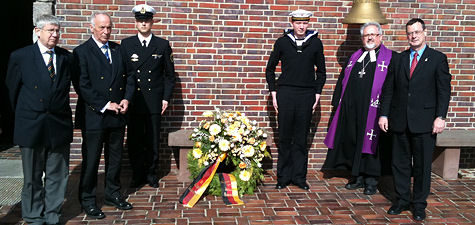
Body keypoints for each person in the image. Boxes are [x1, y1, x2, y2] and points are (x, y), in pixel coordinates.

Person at [378, 18, 451, 221]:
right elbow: (388, 89)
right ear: (407, 35)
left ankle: (419, 204)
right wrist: (384, 114)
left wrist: (440, 117)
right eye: (410, 32)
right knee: (399, 164)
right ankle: (401, 200)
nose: (414, 36)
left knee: (421, 165)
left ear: (425, 32)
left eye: (417, 32)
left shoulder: (437, 58)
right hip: (400, 120)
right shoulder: (399, 59)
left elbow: (444, 91)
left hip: (425, 122)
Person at [6, 15, 74, 225]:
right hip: (31, 125)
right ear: (38, 31)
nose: (55, 35)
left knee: (57, 174)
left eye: (57, 31)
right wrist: (23, 118)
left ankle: (52, 213)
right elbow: (12, 91)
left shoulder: (65, 57)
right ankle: (34, 215)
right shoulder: (21, 56)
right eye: (50, 30)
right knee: (33, 176)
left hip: (58, 126)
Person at [322, 22, 396, 195]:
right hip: (353, 109)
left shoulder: (391, 58)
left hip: (374, 109)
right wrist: (337, 103)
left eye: (373, 34)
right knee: (355, 141)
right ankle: (358, 177)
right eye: (366, 35)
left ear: (380, 36)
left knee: (372, 145)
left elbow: (392, 87)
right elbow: (342, 81)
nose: (369, 38)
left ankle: (371, 180)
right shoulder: (355, 56)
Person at [73, 12, 134, 219]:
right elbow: (82, 85)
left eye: (109, 27)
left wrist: (126, 98)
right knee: (91, 160)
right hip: (94, 116)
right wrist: (105, 104)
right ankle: (88, 200)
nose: (106, 32)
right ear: (92, 28)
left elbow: (131, 77)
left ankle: (112, 194)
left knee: (114, 159)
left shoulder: (119, 49)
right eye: (102, 28)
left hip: (117, 114)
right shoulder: (81, 52)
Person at [265, 9, 326, 190]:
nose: (301, 26)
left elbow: (321, 71)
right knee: (284, 137)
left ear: (308, 23)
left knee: (300, 138)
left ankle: (299, 178)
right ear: (292, 23)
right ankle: (283, 178)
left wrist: (317, 94)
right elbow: (270, 69)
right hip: (286, 94)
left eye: (305, 23)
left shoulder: (315, 43)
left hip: (306, 95)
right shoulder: (282, 42)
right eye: (298, 23)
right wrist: (274, 93)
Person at [121, 4, 176, 188]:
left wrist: (166, 98)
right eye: (140, 20)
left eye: (146, 20)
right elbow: (123, 74)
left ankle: (151, 173)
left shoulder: (162, 45)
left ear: (152, 21)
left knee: (152, 139)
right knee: (135, 139)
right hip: (134, 100)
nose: (143, 23)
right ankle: (137, 174)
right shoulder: (127, 44)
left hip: (154, 101)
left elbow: (169, 76)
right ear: (136, 22)